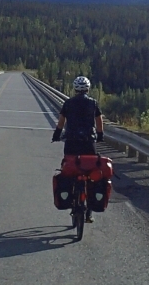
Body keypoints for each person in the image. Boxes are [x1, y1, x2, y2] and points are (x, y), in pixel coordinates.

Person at [51, 76, 104, 222]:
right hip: (88, 143)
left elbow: (61, 121)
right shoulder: (93, 103)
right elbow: (99, 121)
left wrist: (56, 135)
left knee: (69, 169)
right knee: (91, 173)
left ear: (75, 89)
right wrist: (99, 135)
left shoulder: (68, 103)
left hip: (72, 142)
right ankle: (89, 212)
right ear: (88, 89)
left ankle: (71, 198)